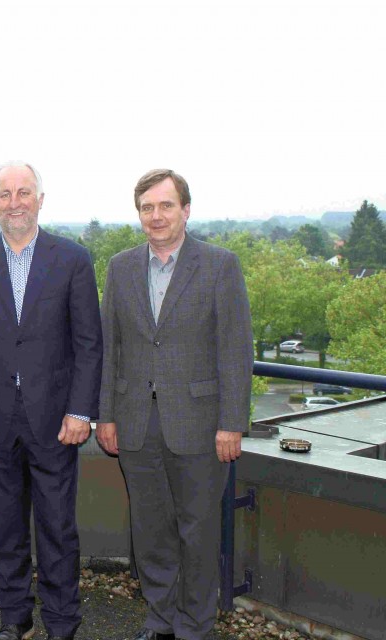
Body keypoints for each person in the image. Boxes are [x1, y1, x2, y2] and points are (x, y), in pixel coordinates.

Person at [96, 169, 253, 640]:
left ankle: (194, 625)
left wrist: (232, 423)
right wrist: (105, 414)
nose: (156, 215)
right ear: (139, 214)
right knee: (151, 531)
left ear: (186, 210)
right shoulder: (120, 267)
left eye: (166, 206)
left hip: (202, 426)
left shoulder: (219, 265)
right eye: (147, 207)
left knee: (198, 532)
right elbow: (111, 348)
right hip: (135, 422)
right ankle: (160, 617)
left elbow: (235, 350)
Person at [0, 162, 103, 640]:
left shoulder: (73, 259)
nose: (14, 201)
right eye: (5, 194)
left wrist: (81, 411)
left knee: (58, 528)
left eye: (23, 192)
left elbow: (88, 343)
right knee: (6, 530)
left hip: (56, 419)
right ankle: (14, 619)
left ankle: (61, 622)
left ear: (41, 198)